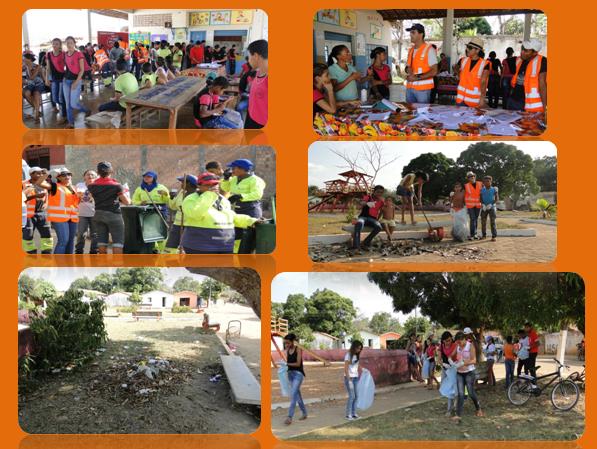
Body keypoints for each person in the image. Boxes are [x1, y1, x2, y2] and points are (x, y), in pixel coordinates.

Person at [180, 172, 257, 254]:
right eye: (208, 185)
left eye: (215, 184)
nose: (212, 187)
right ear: (199, 186)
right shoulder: (191, 199)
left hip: (224, 246)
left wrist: (251, 221)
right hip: (200, 246)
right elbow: (195, 214)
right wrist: (209, 195)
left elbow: (231, 217)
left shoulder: (223, 200)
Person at [220, 159, 266, 253]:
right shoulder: (234, 179)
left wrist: (241, 196)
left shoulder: (255, 180)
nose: (231, 170)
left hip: (250, 209)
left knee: (248, 236)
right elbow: (226, 188)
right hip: (236, 210)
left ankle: (247, 259)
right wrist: (225, 179)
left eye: (234, 168)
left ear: (242, 169)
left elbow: (257, 194)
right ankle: (236, 257)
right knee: (236, 235)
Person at [87, 161, 131, 254]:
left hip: (98, 214)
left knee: (102, 241)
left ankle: (103, 264)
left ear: (98, 172)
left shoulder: (91, 186)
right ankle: (117, 265)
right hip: (113, 215)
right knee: (118, 242)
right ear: (111, 171)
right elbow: (127, 202)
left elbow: (91, 198)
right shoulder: (117, 185)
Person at [132, 171, 170, 253]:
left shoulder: (161, 187)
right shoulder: (140, 189)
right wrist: (140, 203)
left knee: (161, 230)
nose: (146, 178)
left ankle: (163, 250)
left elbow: (168, 200)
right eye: (145, 176)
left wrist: (165, 195)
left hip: (160, 210)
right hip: (146, 211)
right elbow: (134, 201)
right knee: (149, 231)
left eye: (149, 177)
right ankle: (153, 249)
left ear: (154, 178)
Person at [507, 40, 547, 113]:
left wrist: (545, 108)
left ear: (535, 52)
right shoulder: (519, 59)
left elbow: (543, 84)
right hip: (514, 101)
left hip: (530, 105)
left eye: (526, 50)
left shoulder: (542, 61)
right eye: (522, 49)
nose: (522, 52)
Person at [46, 167, 80, 254]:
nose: (67, 176)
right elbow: (39, 183)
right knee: (63, 241)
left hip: (72, 218)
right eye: (63, 175)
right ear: (58, 177)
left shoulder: (74, 188)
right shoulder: (54, 186)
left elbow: (75, 203)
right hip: (59, 219)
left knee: (70, 241)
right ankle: (58, 264)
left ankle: (68, 262)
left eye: (69, 174)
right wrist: (48, 172)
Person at [453, 331, 484, 421]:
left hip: (469, 372)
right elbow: (453, 356)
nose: (458, 344)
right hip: (459, 373)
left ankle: (479, 409)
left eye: (459, 342)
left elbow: (474, 360)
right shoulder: (457, 346)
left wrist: (464, 362)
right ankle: (458, 415)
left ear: (464, 339)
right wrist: (452, 361)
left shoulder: (470, 346)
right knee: (461, 394)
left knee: (470, 392)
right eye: (457, 342)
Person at [164, 174, 198, 254]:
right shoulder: (181, 193)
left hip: (190, 225)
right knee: (171, 245)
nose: (181, 184)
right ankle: (169, 262)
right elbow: (173, 206)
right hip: (178, 224)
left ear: (189, 184)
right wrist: (171, 198)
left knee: (188, 246)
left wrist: (186, 209)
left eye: (183, 182)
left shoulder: (197, 195)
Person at [22, 167, 53, 254]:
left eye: (41, 173)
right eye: (38, 173)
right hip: (28, 215)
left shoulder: (44, 184)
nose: (40, 175)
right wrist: (35, 196)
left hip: (42, 213)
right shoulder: (24, 184)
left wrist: (46, 204)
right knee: (28, 235)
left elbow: (47, 196)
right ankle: (32, 255)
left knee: (47, 234)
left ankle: (46, 255)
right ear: (31, 174)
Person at [404, 23, 438, 104]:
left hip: (423, 90)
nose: (410, 35)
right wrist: (407, 69)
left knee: (423, 114)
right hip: (410, 87)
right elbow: (407, 67)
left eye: (413, 32)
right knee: (411, 113)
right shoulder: (411, 50)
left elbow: (434, 71)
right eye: (410, 33)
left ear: (421, 34)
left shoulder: (429, 49)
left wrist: (416, 78)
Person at [63, 36, 91, 128]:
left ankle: (85, 110)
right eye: (67, 43)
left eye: (71, 42)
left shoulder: (79, 54)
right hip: (66, 81)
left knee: (73, 103)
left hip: (76, 80)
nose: (69, 44)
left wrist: (76, 82)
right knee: (68, 103)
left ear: (74, 43)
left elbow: (82, 70)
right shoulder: (65, 54)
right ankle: (71, 122)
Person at [455, 37, 489, 108]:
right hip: (460, 99)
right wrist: (459, 75)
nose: (467, 49)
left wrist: (482, 99)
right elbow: (455, 67)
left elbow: (483, 82)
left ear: (477, 50)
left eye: (470, 48)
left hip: (474, 101)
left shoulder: (485, 64)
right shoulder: (463, 60)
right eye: (467, 47)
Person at [351, 185, 385, 252]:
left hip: (373, 219)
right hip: (363, 217)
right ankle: (356, 247)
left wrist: (378, 219)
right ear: (374, 191)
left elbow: (382, 210)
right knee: (359, 223)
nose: (379, 194)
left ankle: (365, 242)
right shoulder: (368, 197)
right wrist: (367, 203)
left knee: (379, 227)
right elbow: (361, 203)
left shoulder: (381, 201)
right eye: (378, 192)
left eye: (381, 192)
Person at [283, 333, 308, 425]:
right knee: (297, 396)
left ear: (293, 341)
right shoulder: (287, 350)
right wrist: (284, 366)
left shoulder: (298, 349)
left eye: (288, 343)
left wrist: (287, 364)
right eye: (285, 343)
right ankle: (305, 413)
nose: (287, 345)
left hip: (298, 374)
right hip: (290, 374)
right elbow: (288, 363)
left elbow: (298, 364)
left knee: (293, 395)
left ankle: (289, 417)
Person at [245, 40, 268, 129]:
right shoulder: (258, 73)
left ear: (255, 56)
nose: (248, 60)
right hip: (251, 118)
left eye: (249, 56)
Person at [74, 170, 99, 254]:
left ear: (96, 177)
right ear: (84, 177)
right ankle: (79, 251)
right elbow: (74, 196)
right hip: (82, 214)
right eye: (88, 174)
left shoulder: (98, 186)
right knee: (81, 234)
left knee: (95, 234)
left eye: (92, 175)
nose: (90, 176)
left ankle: (94, 252)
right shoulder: (79, 185)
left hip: (95, 214)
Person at [45, 38, 67, 124]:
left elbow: (67, 66)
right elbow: (48, 68)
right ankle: (64, 109)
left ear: (60, 45)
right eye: (53, 44)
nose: (55, 45)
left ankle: (63, 115)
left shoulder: (63, 54)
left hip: (62, 78)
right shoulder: (49, 54)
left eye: (57, 44)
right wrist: (47, 79)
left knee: (61, 98)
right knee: (55, 98)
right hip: (54, 79)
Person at [22, 54, 45, 124]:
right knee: (25, 93)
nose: (23, 60)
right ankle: (37, 110)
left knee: (36, 94)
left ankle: (37, 116)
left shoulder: (37, 66)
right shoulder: (24, 67)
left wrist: (28, 67)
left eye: (24, 58)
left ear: (29, 59)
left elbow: (32, 77)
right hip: (30, 84)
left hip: (39, 84)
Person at [440, 331, 458, 416]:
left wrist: (451, 363)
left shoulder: (455, 345)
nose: (449, 342)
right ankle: (450, 408)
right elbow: (440, 359)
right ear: (443, 341)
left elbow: (452, 356)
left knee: (455, 388)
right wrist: (441, 362)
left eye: (450, 340)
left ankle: (453, 407)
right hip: (445, 368)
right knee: (446, 388)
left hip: (454, 368)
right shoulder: (441, 346)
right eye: (446, 340)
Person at [344, 340, 363, 420]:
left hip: (356, 377)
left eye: (360, 349)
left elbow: (357, 365)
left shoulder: (356, 355)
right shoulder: (348, 355)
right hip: (349, 378)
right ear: (354, 347)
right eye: (358, 348)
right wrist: (349, 380)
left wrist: (363, 369)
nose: (359, 350)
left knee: (356, 396)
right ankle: (348, 415)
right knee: (351, 396)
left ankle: (354, 413)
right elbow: (345, 368)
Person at [464, 171, 483, 240]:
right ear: (468, 178)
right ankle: (472, 235)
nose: (471, 177)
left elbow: (484, 192)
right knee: (472, 219)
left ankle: (475, 234)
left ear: (474, 176)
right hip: (470, 205)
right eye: (469, 177)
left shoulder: (480, 184)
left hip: (478, 205)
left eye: (472, 176)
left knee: (476, 219)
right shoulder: (466, 186)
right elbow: (463, 194)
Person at [480, 175, 499, 241]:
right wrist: (483, 204)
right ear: (483, 182)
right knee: (483, 222)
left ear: (491, 182)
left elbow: (497, 199)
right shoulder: (482, 189)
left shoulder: (494, 189)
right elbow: (480, 198)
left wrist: (491, 204)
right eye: (485, 181)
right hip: (484, 208)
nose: (486, 182)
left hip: (492, 207)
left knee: (492, 222)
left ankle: (494, 236)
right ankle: (484, 235)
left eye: (488, 181)